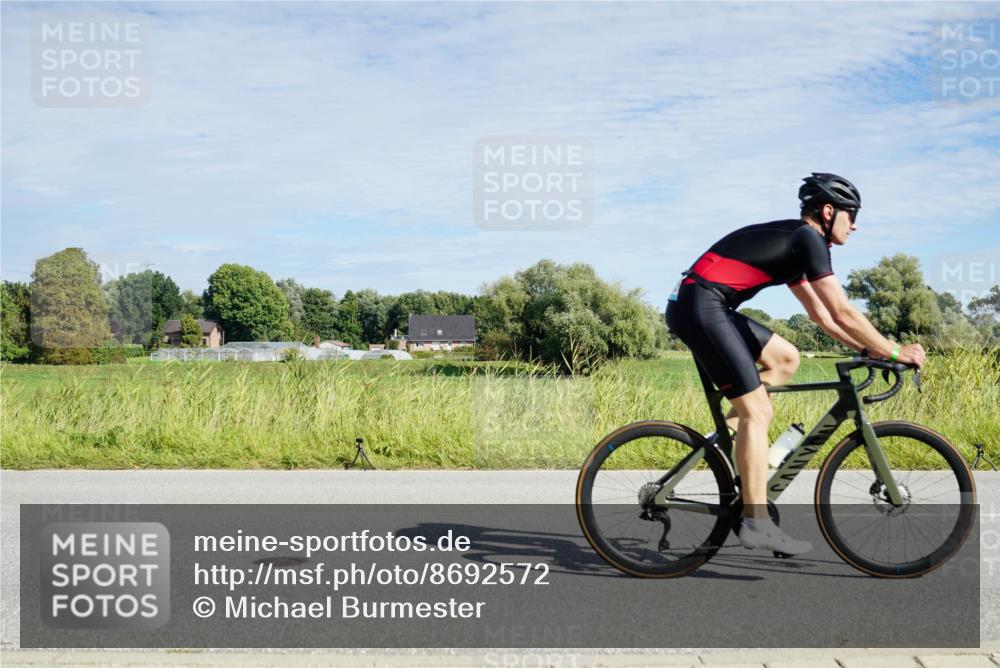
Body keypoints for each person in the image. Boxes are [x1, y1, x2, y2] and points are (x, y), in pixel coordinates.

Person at [665, 173, 926, 555]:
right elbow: (843, 311)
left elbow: (823, 317)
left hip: (701, 303)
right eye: (851, 215)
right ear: (828, 211)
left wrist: (866, 349)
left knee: (786, 359)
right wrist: (892, 351)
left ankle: (732, 444)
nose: (855, 225)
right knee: (758, 411)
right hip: (701, 306)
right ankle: (756, 523)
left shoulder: (798, 243)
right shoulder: (807, 239)